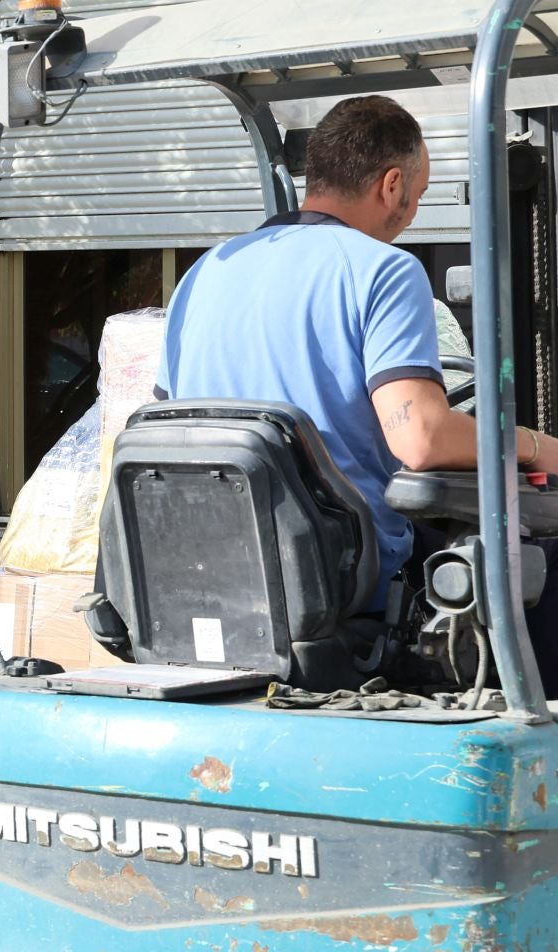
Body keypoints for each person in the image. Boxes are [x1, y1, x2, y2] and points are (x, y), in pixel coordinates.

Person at [158, 94, 558, 678]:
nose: (413, 213)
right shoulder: (383, 269)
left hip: (204, 571)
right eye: (417, 197)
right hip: (338, 578)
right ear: (391, 185)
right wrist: (532, 445)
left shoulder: (203, 273)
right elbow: (421, 439)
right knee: (541, 563)